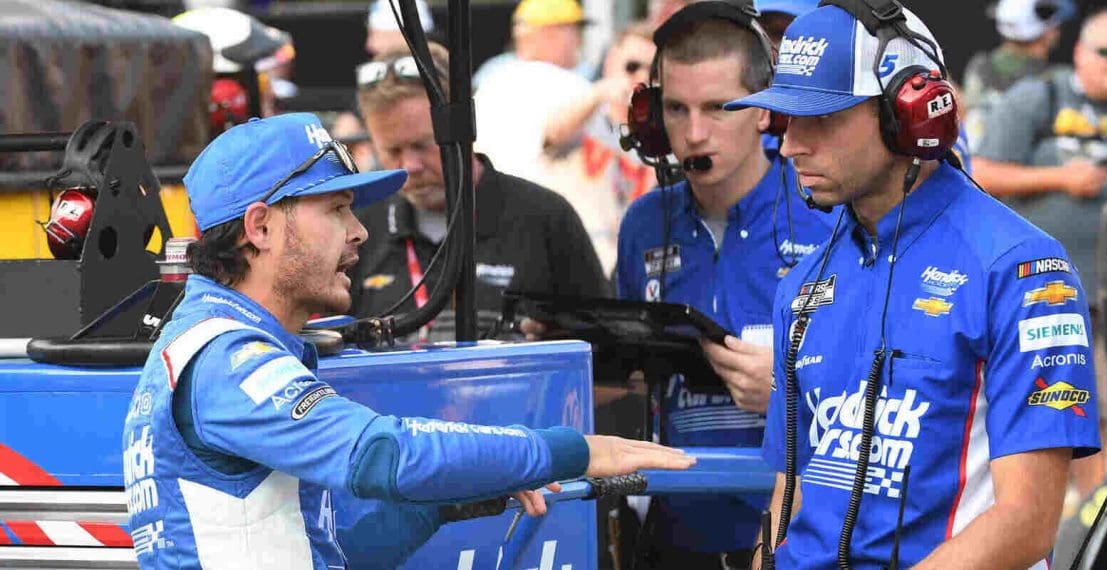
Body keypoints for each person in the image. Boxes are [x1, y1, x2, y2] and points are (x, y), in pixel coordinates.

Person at [121, 112, 695, 568]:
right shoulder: (227, 358)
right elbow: (385, 455)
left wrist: (442, 501)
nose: (359, 231)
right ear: (261, 227)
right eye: (337, 208)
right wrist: (570, 449)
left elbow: (338, 559)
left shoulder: (219, 345)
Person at [725, 3, 1102, 568]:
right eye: (785, 120)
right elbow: (789, 495)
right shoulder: (801, 286)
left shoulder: (1024, 270)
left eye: (820, 119)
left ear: (911, 116)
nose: (791, 144)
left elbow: (1028, 522)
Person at [616, 3, 836, 567]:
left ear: (766, 112)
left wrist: (792, 396)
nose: (693, 133)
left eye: (718, 108)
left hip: (803, 535)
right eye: (675, 109)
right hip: (672, 536)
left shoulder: (830, 212)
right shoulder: (644, 223)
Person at [973, 7, 1107, 507]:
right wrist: (1060, 179)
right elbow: (979, 172)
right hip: (1047, 291)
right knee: (1066, 411)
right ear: (1079, 53)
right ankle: (1085, 521)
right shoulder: (1040, 96)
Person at [351, 43, 610, 335]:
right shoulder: (358, 231)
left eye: (422, 145)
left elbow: (603, 350)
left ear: (465, 124)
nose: (410, 165)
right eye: (392, 150)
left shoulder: (544, 219)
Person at [540, 21, 658, 274]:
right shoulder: (585, 118)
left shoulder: (664, 135)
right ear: (610, 64)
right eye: (632, 66)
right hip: (578, 266)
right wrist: (601, 92)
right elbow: (552, 134)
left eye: (653, 70)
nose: (641, 77)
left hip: (635, 266)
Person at [473, 0, 593, 182]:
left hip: (488, 193)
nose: (579, 41)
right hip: (545, 199)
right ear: (551, 34)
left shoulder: (490, 75)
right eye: (574, 31)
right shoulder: (571, 85)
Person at [961, 0, 1075, 151]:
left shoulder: (978, 65)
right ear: (1047, 32)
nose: (1057, 31)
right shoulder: (1058, 78)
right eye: (1055, 26)